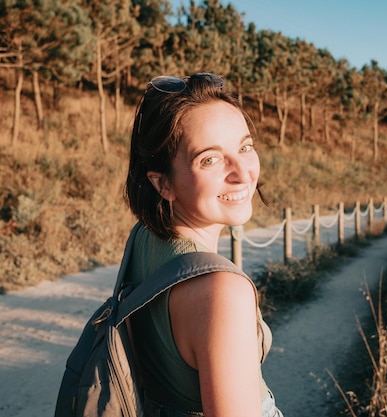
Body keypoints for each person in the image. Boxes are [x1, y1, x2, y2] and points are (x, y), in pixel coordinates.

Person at [123, 72, 283, 417]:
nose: (242, 173)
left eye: (245, 147)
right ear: (163, 183)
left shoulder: (144, 238)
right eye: (210, 159)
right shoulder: (221, 291)